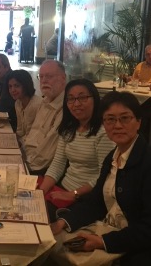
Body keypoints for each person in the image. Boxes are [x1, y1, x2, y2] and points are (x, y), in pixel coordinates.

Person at [51, 91, 151, 265]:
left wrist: (103, 242)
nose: (117, 125)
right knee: (51, 244)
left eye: (125, 118)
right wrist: (64, 222)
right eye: (110, 119)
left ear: (138, 122)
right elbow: (97, 201)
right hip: (113, 230)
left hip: (143, 252)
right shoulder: (113, 156)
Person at [38, 79, 115, 220]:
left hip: (86, 198)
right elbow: (58, 163)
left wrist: (73, 193)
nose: (76, 104)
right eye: (71, 99)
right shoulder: (68, 129)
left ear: (95, 99)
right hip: (62, 189)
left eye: (83, 97)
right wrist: (41, 191)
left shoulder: (103, 132)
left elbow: (104, 175)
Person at [23, 60, 66, 174]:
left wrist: (24, 167)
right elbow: (31, 134)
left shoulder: (65, 108)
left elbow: (45, 156)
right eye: (41, 77)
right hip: (26, 158)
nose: (44, 80)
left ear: (63, 78)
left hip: (38, 169)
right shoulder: (44, 102)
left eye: (49, 76)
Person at [7, 69, 42, 140]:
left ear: (26, 86)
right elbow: (20, 131)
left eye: (16, 86)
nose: (12, 90)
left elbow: (32, 135)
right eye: (10, 86)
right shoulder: (18, 103)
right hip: (24, 142)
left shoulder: (36, 105)